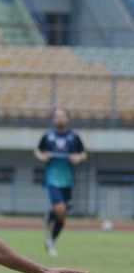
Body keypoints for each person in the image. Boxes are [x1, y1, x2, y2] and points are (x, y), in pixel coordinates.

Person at [34, 108, 87, 256]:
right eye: (57, 116)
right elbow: (37, 151)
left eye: (62, 116)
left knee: (62, 215)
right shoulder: (47, 136)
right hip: (52, 179)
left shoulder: (74, 137)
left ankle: (51, 238)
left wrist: (78, 158)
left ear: (68, 118)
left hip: (68, 181)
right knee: (62, 210)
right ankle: (51, 221)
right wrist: (42, 156)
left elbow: (83, 153)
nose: (59, 119)